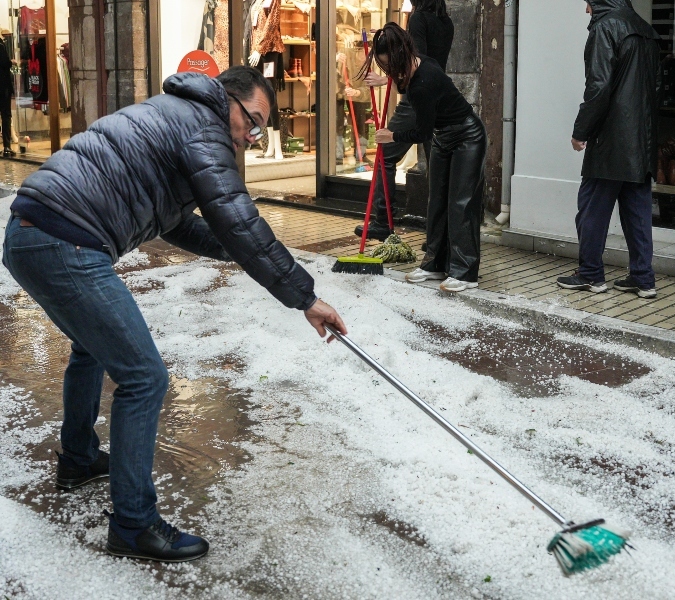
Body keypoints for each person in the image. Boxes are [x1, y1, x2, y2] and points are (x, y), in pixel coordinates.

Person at [3, 66, 348, 561]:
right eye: (252, 121)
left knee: (92, 346)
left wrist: (242, 250)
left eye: (260, 129)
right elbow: (237, 214)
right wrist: (306, 298)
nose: (252, 137)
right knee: (145, 378)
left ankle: (78, 459)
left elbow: (178, 223)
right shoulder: (204, 126)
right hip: (64, 240)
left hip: (33, 233)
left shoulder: (181, 116)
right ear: (228, 101)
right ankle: (133, 525)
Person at [364, 23, 485, 293]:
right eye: (386, 69)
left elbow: (421, 132)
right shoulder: (416, 65)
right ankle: (434, 264)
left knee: (460, 203)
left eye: (391, 67)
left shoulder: (423, 82)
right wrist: (390, 81)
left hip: (467, 136)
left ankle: (465, 271)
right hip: (443, 136)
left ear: (402, 56)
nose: (391, 74)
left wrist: (391, 136)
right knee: (437, 201)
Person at [555, 0, 660, 298]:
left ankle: (590, 274)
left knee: (592, 209)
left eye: (588, 3)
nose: (586, 10)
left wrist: (581, 131)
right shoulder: (645, 30)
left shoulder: (605, 28)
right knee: (638, 213)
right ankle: (643, 278)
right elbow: (656, 88)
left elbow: (598, 87)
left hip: (611, 139)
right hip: (642, 139)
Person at [353, 0, 454, 241]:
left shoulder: (419, 19)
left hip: (416, 99)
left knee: (384, 155)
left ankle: (382, 220)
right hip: (437, 97)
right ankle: (438, 236)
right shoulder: (445, 21)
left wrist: (387, 79)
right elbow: (429, 65)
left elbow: (416, 66)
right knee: (437, 169)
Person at [0, 29, 13, 157]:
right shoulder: (0, 45)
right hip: (3, 88)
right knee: (6, 116)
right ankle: (7, 146)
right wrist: (11, 62)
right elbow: (4, 63)